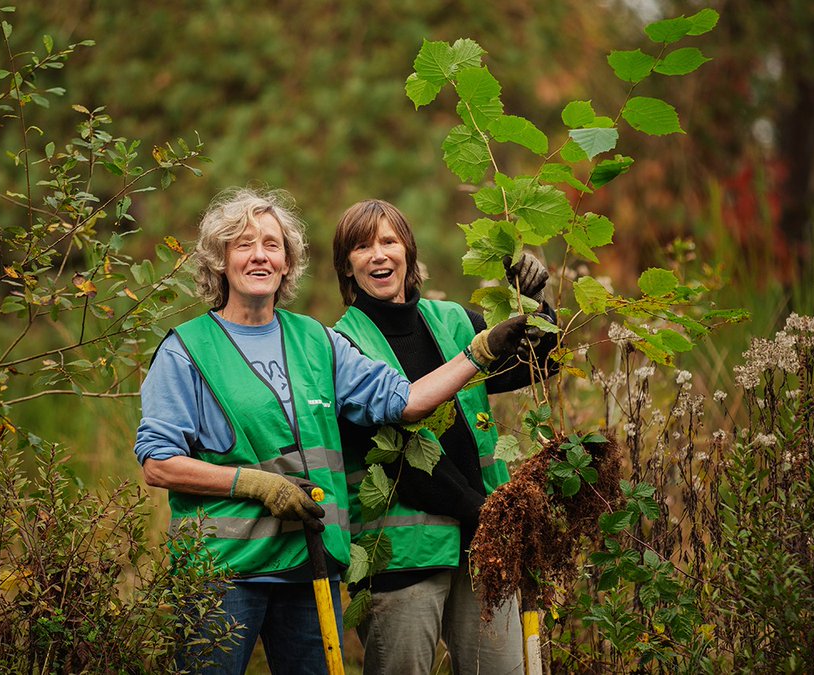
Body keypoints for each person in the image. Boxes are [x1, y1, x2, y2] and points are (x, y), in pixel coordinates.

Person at [133, 188, 532, 675]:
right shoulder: (185, 351)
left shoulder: (316, 341)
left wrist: (479, 353)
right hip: (222, 571)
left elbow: (403, 401)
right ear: (219, 260)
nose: (259, 254)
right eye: (242, 244)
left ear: (287, 263)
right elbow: (157, 462)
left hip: (308, 562)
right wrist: (251, 483)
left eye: (272, 245)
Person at [331, 199, 554, 675]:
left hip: (483, 548)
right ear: (347, 267)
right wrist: (482, 511)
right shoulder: (342, 346)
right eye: (362, 246)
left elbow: (535, 367)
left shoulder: (454, 321)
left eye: (389, 241)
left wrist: (534, 303)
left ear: (409, 253)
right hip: (403, 559)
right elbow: (389, 457)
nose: (378, 255)